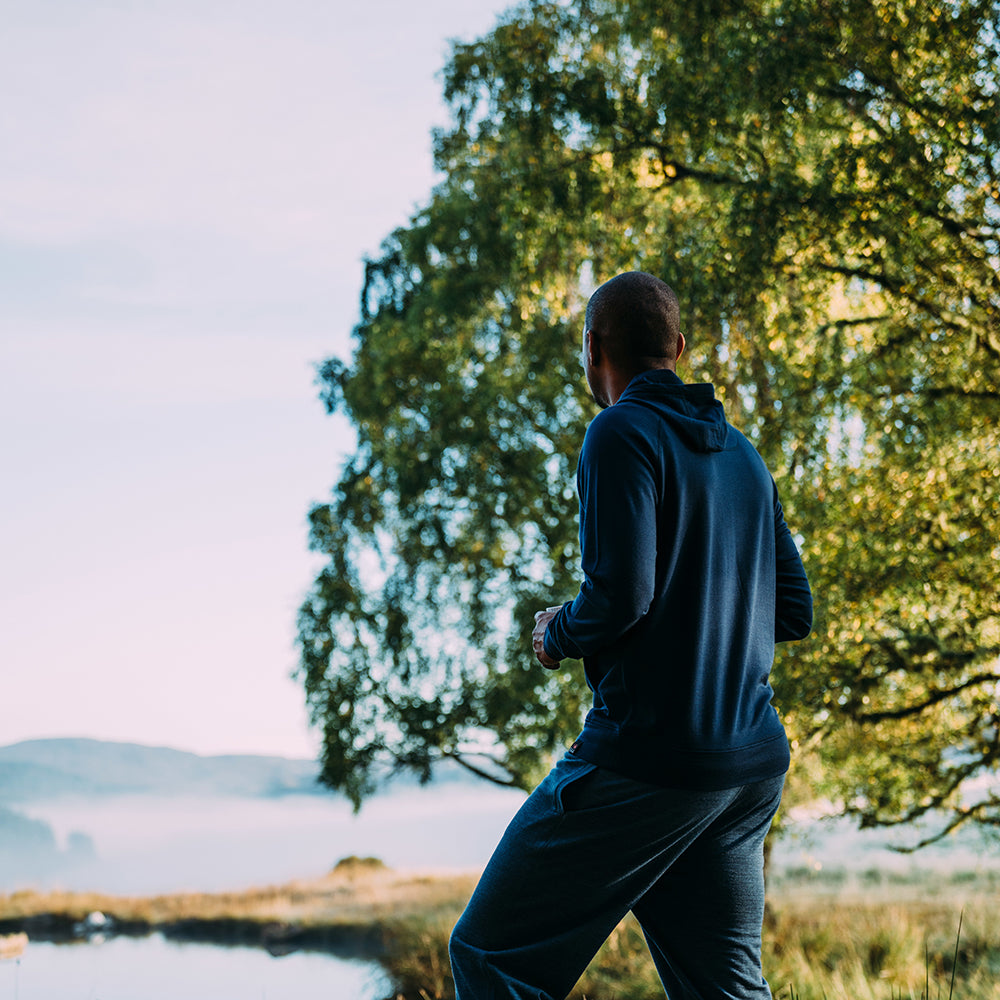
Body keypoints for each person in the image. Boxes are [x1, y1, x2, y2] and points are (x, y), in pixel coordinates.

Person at [448, 270, 813, 999]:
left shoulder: (619, 432)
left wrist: (556, 633)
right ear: (677, 346)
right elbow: (794, 610)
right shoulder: (745, 456)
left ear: (592, 350)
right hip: (747, 769)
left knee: (491, 954)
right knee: (724, 990)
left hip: (650, 761)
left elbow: (620, 600)